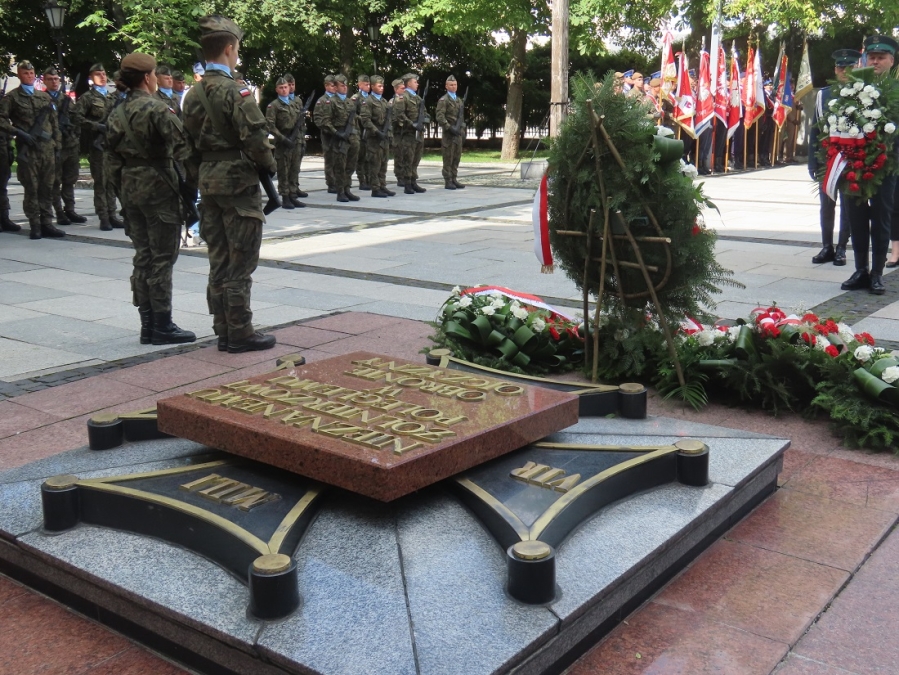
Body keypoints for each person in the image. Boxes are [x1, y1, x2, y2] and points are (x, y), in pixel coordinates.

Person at [182, 14, 278, 352]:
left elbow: (187, 146)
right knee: (241, 262)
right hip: (238, 185)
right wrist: (269, 166)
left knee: (219, 259)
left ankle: (222, 329)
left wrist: (200, 175)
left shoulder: (192, 94)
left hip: (208, 184)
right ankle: (240, 332)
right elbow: (256, 139)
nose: (237, 55)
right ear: (228, 48)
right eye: (236, 49)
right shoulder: (236, 90)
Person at [106, 52, 196, 345]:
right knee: (162, 258)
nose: (157, 78)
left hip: (131, 191)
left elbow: (110, 161)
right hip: (159, 191)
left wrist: (121, 192)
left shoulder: (117, 112)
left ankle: (147, 324)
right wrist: (193, 186)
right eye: (155, 73)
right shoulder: (157, 109)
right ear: (147, 77)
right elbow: (184, 149)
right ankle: (162, 325)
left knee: (143, 256)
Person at [841, 35, 899, 295]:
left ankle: (877, 273)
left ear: (891, 60)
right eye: (872, 57)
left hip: (886, 165)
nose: (875, 61)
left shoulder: (896, 89)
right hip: (854, 164)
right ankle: (860, 269)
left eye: (881, 57)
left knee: (881, 217)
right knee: (856, 216)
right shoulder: (853, 88)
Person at [0, 60, 65, 239]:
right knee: (31, 188)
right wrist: (18, 132)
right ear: (19, 75)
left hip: (47, 149)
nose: (29, 76)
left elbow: (54, 123)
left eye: (31, 73)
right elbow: (1, 119)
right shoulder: (12, 98)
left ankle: (47, 223)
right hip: (28, 150)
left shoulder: (44, 97)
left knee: (47, 187)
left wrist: (58, 146)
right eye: (25, 73)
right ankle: (35, 225)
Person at [808, 49, 858, 266]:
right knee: (826, 204)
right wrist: (812, 161)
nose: (844, 71)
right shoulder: (824, 95)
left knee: (847, 206)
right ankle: (827, 246)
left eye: (849, 67)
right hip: (827, 159)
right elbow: (816, 130)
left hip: (851, 159)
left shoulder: (861, 94)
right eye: (840, 67)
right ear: (835, 70)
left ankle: (841, 248)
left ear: (856, 68)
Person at [76, 63, 123, 231]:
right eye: (98, 74)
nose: (102, 76)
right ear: (91, 78)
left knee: (112, 182)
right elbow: (77, 118)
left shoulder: (112, 97)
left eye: (103, 73)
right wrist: (96, 126)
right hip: (98, 145)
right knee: (101, 183)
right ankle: (103, 217)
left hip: (112, 146)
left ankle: (112, 214)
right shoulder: (87, 97)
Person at [42, 67, 87, 226]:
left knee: (70, 179)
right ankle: (59, 212)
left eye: (56, 79)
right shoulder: (42, 99)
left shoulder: (66, 99)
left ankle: (70, 209)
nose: (54, 82)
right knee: (55, 181)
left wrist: (74, 133)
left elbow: (76, 119)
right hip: (54, 146)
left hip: (70, 145)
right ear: (44, 81)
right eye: (50, 79)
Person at [315, 74, 359, 202]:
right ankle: (340, 191)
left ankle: (347, 189)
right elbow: (325, 121)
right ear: (336, 87)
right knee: (340, 166)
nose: (344, 87)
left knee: (351, 165)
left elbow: (354, 120)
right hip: (339, 138)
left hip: (352, 137)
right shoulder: (331, 102)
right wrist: (336, 133)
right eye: (341, 85)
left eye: (346, 85)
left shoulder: (349, 101)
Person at [265, 76, 304, 209]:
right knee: (283, 170)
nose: (284, 90)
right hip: (283, 141)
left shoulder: (293, 104)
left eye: (286, 87)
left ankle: (293, 195)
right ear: (277, 89)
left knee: (294, 169)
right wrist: (282, 138)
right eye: (281, 88)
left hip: (295, 140)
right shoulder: (273, 106)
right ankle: (285, 197)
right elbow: (270, 126)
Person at [359, 75, 394, 198]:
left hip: (384, 137)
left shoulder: (384, 101)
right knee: (375, 164)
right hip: (374, 137)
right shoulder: (368, 101)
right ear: (372, 86)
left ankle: (382, 186)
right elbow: (365, 120)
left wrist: (388, 134)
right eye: (379, 86)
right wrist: (376, 131)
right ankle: (375, 188)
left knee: (383, 163)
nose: (382, 88)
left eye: (382, 86)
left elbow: (389, 120)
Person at [435, 74, 465, 190]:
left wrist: (461, 129)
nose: (454, 86)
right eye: (451, 85)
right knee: (448, 157)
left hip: (458, 133)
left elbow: (461, 117)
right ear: (446, 86)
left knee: (456, 157)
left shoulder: (459, 100)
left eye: (455, 84)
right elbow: (440, 116)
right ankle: (448, 180)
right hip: (449, 133)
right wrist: (449, 127)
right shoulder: (444, 100)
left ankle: (454, 178)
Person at [283, 73, 308, 198]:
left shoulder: (298, 100)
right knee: (287, 166)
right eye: (289, 84)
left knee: (296, 165)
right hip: (288, 137)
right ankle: (287, 190)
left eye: (293, 84)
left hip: (299, 136)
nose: (291, 87)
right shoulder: (282, 101)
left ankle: (295, 186)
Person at [313, 75, 338, 194]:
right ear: (326, 86)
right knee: (330, 159)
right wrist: (326, 129)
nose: (334, 88)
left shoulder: (338, 99)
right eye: (332, 85)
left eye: (335, 85)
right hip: (328, 135)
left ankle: (339, 181)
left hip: (339, 134)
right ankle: (331, 183)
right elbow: (317, 118)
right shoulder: (322, 101)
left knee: (339, 158)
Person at [402, 73, 427, 193]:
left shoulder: (418, 98)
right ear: (408, 84)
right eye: (415, 82)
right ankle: (407, 183)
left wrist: (425, 120)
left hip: (419, 134)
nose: (417, 84)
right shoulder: (403, 97)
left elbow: (425, 113)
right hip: (409, 134)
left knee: (416, 158)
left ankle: (413, 181)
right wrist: (412, 124)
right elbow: (400, 114)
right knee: (408, 159)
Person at [352, 75, 371, 191]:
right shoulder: (356, 98)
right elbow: (352, 113)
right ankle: (362, 181)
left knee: (369, 158)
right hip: (360, 131)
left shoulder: (370, 98)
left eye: (369, 84)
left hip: (369, 132)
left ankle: (369, 180)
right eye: (366, 84)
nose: (368, 86)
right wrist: (361, 119)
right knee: (361, 158)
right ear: (360, 85)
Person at [389, 78, 407, 187]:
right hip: (397, 133)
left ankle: (407, 175)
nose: (404, 90)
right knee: (399, 155)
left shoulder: (406, 100)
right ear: (396, 89)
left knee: (407, 155)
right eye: (402, 88)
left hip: (406, 133)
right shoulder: (392, 102)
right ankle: (400, 177)